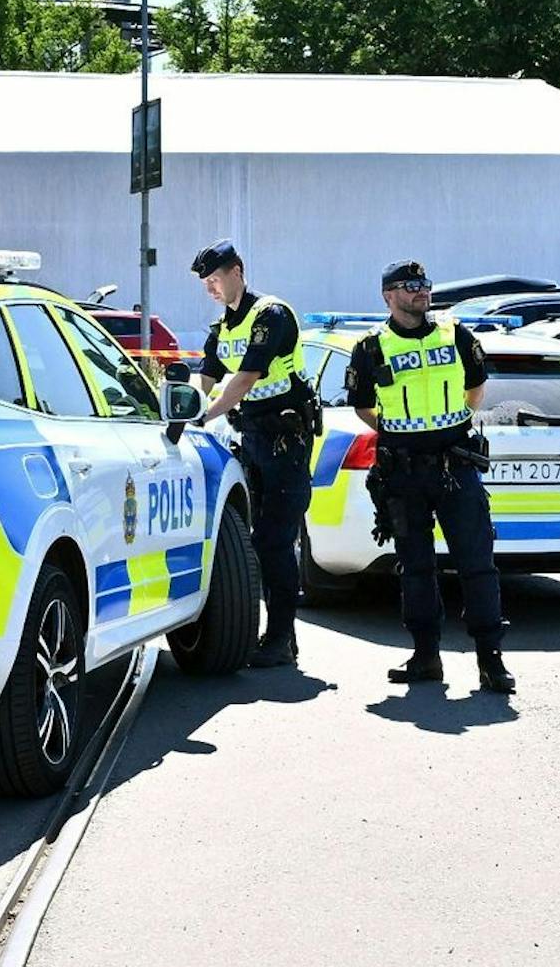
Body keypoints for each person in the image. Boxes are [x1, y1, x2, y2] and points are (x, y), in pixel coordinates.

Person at [346, 259, 515, 695]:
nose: (421, 291)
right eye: (410, 285)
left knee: (477, 564)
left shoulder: (456, 334)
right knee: (415, 568)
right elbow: (363, 405)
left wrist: (450, 421)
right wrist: (403, 427)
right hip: (403, 472)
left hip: (454, 464)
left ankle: (490, 660)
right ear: (388, 295)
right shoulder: (369, 348)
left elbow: (476, 388)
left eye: (424, 284)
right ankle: (425, 657)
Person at [192, 240, 317, 670]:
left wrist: (202, 418)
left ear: (237, 272)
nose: (210, 289)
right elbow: (205, 377)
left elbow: (243, 379)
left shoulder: (270, 315)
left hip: (286, 441)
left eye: (215, 280)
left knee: (274, 540)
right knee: (255, 542)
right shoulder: (221, 328)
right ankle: (278, 637)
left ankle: (280, 639)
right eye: (205, 284)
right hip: (252, 441)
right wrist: (182, 409)